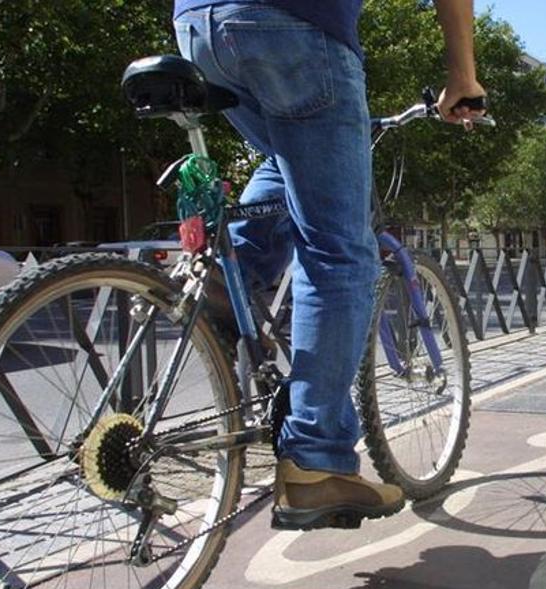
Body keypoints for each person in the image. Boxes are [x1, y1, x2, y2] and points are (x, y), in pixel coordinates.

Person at [172, 0, 486, 529]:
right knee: (338, 252)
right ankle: (316, 460)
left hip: (197, 26)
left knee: (287, 156)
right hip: (293, 25)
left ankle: (230, 281)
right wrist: (463, 77)